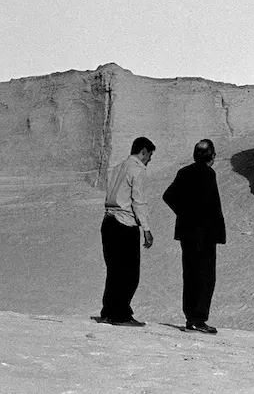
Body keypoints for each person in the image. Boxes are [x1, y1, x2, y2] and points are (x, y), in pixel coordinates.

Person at [163, 139, 227, 334]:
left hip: (187, 232)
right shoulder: (208, 174)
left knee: (190, 273)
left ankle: (191, 317)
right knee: (205, 276)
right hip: (204, 233)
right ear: (212, 156)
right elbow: (212, 205)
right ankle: (198, 319)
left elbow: (169, 196)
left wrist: (184, 214)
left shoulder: (184, 172)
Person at [97, 136, 156, 327]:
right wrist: (146, 228)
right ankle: (120, 314)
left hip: (108, 222)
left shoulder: (116, 168)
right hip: (125, 223)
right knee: (130, 272)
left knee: (114, 270)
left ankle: (108, 311)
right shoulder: (137, 169)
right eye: (149, 155)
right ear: (144, 151)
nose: (149, 160)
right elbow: (138, 200)